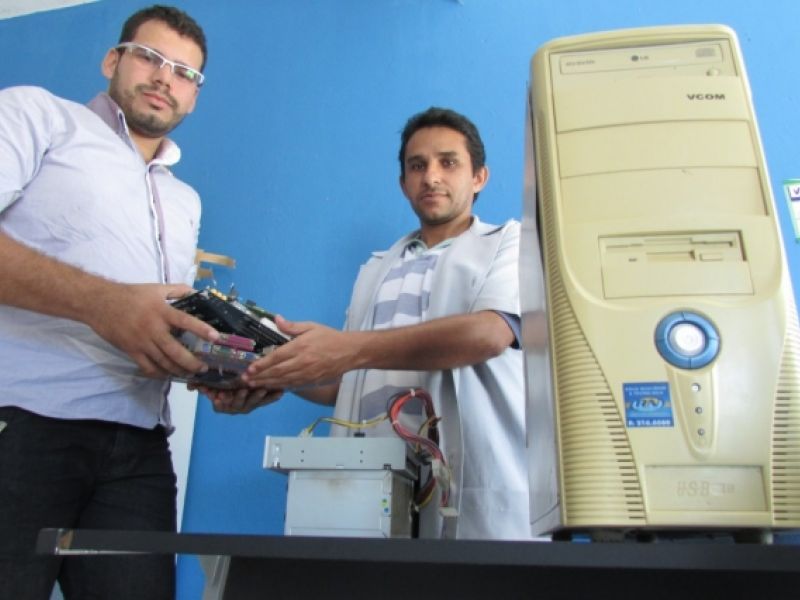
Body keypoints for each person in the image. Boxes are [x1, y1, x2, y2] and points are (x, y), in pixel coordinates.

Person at [206, 107, 530, 540]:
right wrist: (269, 372)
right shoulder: (376, 269)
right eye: (417, 166)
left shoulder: (511, 242)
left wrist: (346, 349)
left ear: (479, 177)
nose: (431, 177)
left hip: (470, 487)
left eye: (448, 162)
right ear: (403, 183)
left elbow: (487, 334)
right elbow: (343, 384)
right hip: (374, 484)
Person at [0, 6, 219, 599]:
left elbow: (157, 322)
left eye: (184, 73)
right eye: (150, 57)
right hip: (22, 422)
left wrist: (219, 370)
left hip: (140, 446)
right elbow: (118, 307)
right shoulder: (37, 116)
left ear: (194, 96)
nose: (165, 78)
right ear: (112, 60)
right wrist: (102, 304)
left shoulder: (185, 201)